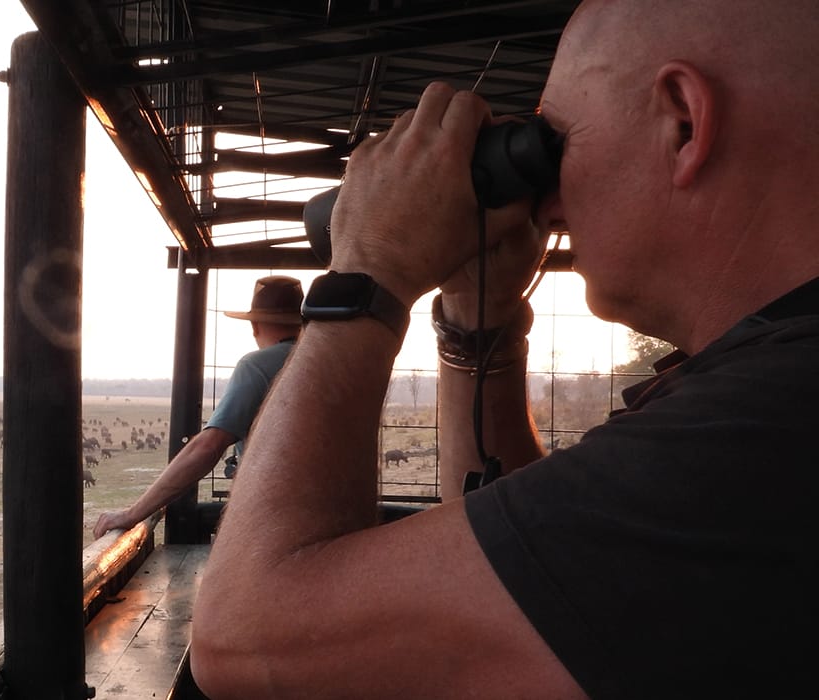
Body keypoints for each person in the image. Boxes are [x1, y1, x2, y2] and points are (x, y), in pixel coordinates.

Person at [190, 2, 819, 698]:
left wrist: (368, 271)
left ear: (684, 122)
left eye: (556, 141)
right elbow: (540, 567)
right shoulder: (767, 400)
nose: (545, 202)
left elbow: (246, 638)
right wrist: (476, 315)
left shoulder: (773, 427)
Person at [92, 275, 303, 539]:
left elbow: (208, 446)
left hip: (276, 524)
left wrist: (133, 513)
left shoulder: (258, 366)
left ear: (255, 326)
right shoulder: (328, 365)